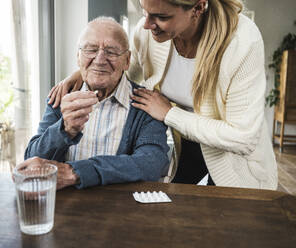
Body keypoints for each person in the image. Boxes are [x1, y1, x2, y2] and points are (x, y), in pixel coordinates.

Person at [48, 0, 278, 190]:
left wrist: (170, 114)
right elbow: (126, 68)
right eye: (144, 11)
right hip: (185, 147)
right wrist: (83, 71)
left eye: (161, 17)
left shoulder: (243, 41)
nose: (147, 24)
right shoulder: (147, 33)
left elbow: (243, 138)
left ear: (198, 8)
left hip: (233, 159)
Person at [24, 16, 170, 190]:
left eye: (111, 51)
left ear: (127, 60)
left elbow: (151, 164)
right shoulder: (62, 96)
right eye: (90, 49)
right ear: (78, 57)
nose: (100, 59)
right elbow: (32, 160)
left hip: (120, 209)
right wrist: (65, 129)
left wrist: (76, 172)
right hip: (64, 208)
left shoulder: (147, 103)